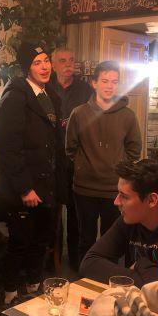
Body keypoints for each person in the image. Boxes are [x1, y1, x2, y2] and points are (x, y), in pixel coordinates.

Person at [0, 42, 65, 306]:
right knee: (20, 242)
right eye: (37, 63)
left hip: (48, 185)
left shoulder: (51, 96)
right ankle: (10, 293)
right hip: (22, 188)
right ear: (27, 68)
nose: (45, 67)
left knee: (41, 240)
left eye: (46, 61)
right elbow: (8, 148)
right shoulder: (15, 97)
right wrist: (25, 188)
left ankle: (34, 287)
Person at [66, 60, 142, 262]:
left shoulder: (128, 115)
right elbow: (70, 148)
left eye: (114, 82)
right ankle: (85, 276)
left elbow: (134, 149)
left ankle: (108, 276)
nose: (110, 86)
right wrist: (85, 165)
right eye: (105, 81)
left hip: (114, 189)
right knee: (86, 238)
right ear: (94, 83)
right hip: (85, 188)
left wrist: (118, 168)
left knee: (112, 240)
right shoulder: (79, 113)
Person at [80, 159, 158, 287]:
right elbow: (89, 264)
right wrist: (139, 278)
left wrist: (141, 265)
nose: (116, 202)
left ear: (152, 200)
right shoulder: (131, 219)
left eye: (124, 196)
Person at [49, 47, 93, 270]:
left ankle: (77, 260)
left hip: (78, 159)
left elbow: (94, 120)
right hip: (54, 160)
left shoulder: (86, 90)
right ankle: (52, 258)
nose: (68, 64)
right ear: (53, 65)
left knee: (77, 213)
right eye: (62, 60)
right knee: (53, 211)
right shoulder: (46, 88)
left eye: (71, 60)